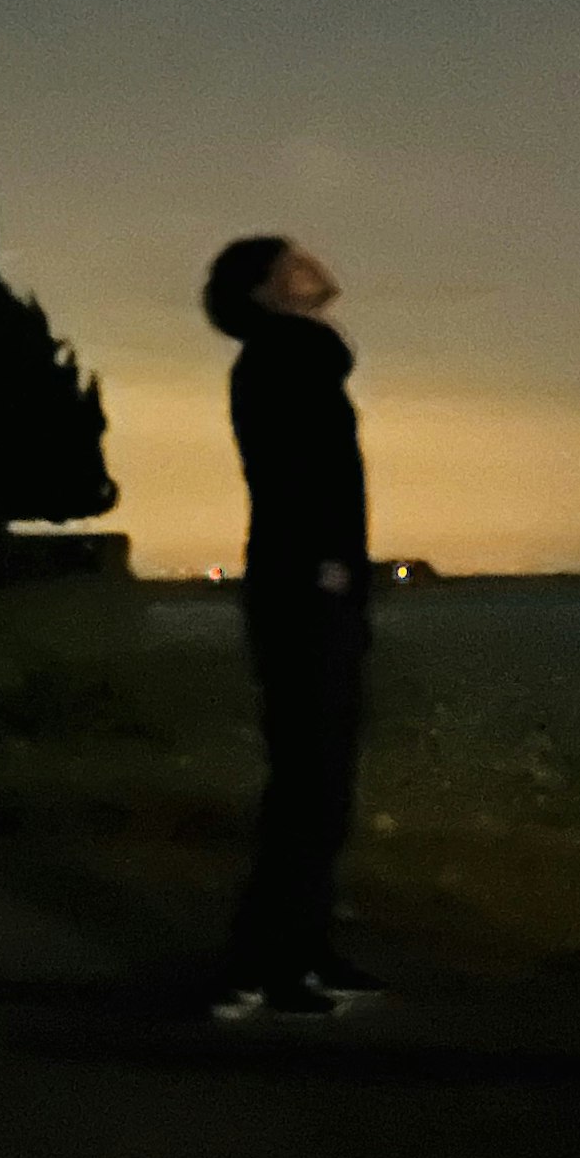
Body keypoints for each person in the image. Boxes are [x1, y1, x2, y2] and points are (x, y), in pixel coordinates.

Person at [200, 235, 387, 1021]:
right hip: (306, 590)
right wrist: (329, 565)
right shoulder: (289, 355)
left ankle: (299, 952)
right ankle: (265, 964)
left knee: (318, 782)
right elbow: (300, 475)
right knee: (312, 782)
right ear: (271, 290)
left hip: (304, 586)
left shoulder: (293, 355)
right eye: (296, 259)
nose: (318, 262)